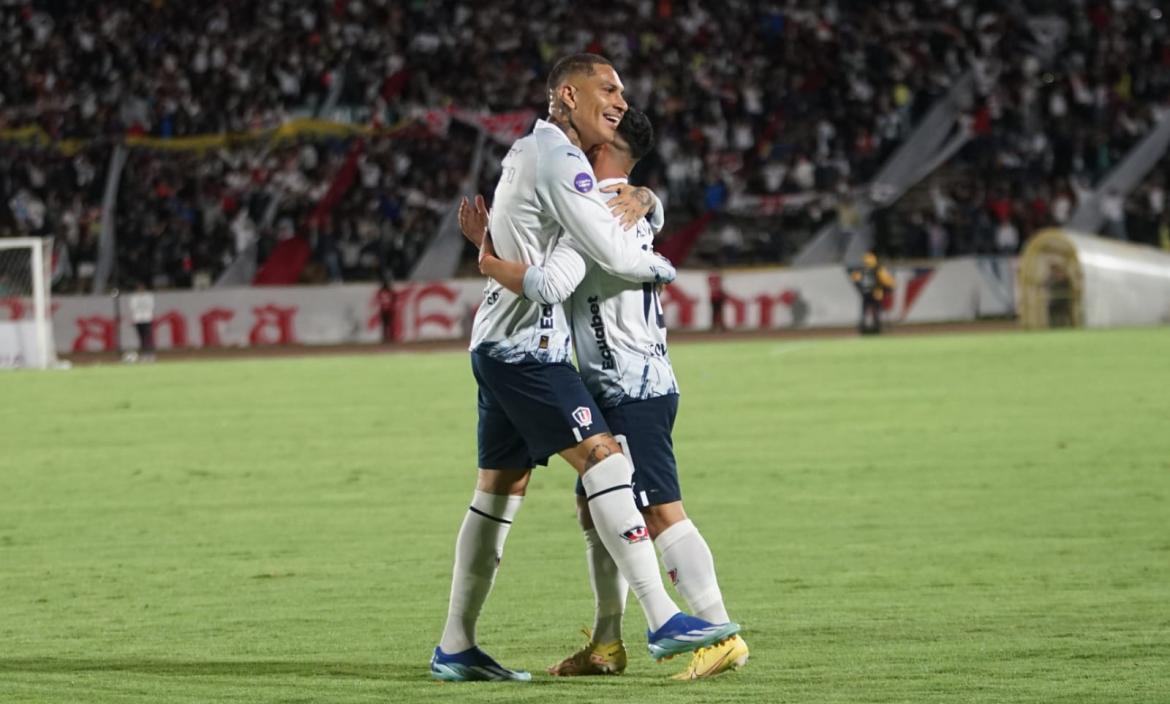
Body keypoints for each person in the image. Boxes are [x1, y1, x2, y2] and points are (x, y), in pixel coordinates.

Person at [430, 54, 739, 683]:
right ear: (567, 96)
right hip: (528, 352)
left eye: (623, 91)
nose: (621, 99)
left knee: (499, 493)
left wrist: (647, 203)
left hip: (502, 344)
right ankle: (660, 619)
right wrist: (660, 256)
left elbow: (575, 245)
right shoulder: (561, 160)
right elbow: (580, 265)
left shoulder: (532, 152)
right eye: (609, 88)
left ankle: (457, 646)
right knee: (607, 464)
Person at [850, 252, 894, 335]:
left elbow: (854, 279)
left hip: (865, 293)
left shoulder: (861, 270)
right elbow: (887, 281)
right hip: (876, 293)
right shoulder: (878, 269)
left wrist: (861, 288)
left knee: (865, 311)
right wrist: (888, 288)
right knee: (875, 311)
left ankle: (863, 328)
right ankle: (875, 328)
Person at [127, 283, 156, 361]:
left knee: (148, 337)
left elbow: (151, 307)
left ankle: (150, 354)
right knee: (141, 338)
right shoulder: (134, 298)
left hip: (147, 319)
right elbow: (132, 308)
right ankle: (144, 354)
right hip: (138, 320)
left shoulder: (149, 297)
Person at [376, 278, 396, 343]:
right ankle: (390, 337)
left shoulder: (381, 292)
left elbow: (379, 299)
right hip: (388, 310)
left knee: (386, 325)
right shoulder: (389, 292)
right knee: (389, 325)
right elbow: (394, 298)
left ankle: (386, 338)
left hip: (384, 310)